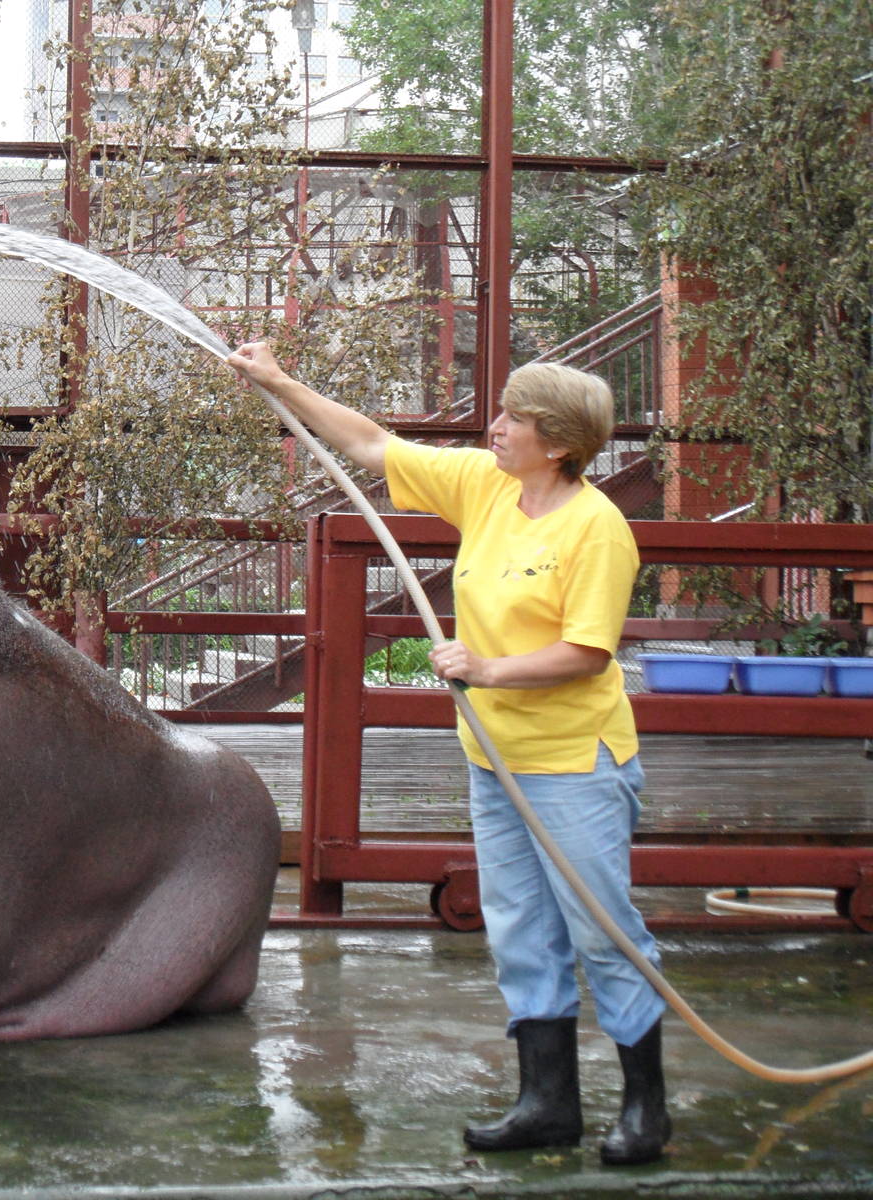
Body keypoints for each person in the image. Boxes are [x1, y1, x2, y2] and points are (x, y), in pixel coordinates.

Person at [225, 342, 671, 1167]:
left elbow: (587, 652)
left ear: (558, 444)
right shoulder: (485, 486)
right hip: (494, 759)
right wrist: (278, 381)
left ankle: (646, 1108)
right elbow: (372, 445)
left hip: (574, 764)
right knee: (520, 929)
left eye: (514, 419)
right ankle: (548, 1104)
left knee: (602, 930)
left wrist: (486, 668)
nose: (494, 427)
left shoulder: (596, 529)